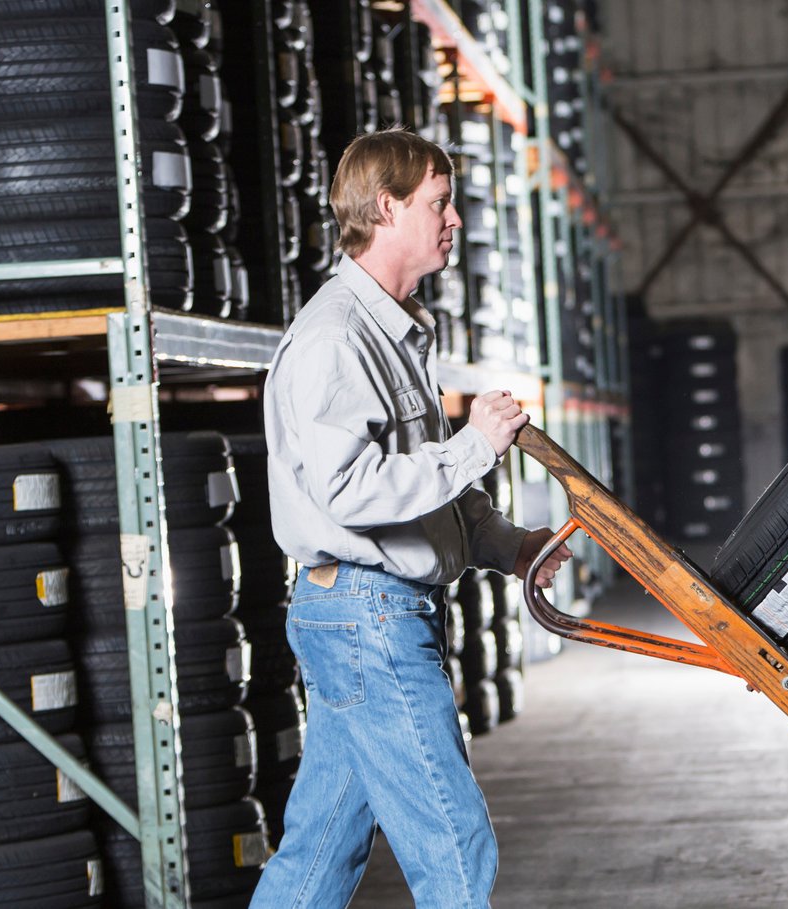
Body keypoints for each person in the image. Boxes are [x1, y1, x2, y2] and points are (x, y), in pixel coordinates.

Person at [250, 128, 571, 909]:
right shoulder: (337, 337)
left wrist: (511, 545)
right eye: (438, 201)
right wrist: (474, 447)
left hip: (364, 610)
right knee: (453, 841)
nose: (454, 217)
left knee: (319, 853)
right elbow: (352, 490)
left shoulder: (394, 330)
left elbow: (423, 487)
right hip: (365, 611)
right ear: (386, 207)